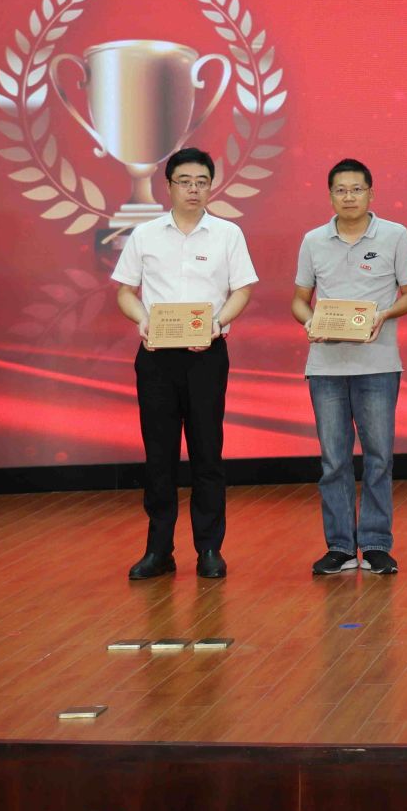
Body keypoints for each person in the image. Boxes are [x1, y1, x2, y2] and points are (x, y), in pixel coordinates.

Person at [112, 146, 257, 581]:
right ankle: (159, 550)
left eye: (202, 182)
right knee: (159, 456)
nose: (193, 189)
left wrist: (217, 323)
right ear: (169, 185)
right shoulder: (145, 235)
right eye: (185, 182)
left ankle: (209, 548)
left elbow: (242, 289)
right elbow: (125, 291)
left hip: (206, 356)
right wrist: (142, 321)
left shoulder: (228, 234)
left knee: (207, 453)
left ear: (211, 186)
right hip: (156, 358)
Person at [291, 159, 407, 577]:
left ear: (371, 193)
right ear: (330, 195)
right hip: (326, 366)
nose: (349, 197)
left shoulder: (395, 235)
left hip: (378, 364)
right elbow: (300, 300)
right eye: (341, 190)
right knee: (334, 461)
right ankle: (341, 547)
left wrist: (383, 315)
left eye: (357, 189)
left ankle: (377, 544)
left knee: (379, 458)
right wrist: (309, 322)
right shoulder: (313, 240)